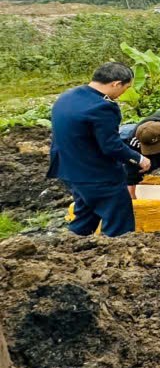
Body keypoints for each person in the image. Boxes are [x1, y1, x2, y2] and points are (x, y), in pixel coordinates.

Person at [47, 62, 151, 237]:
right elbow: (111, 146)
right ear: (116, 84)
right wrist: (139, 159)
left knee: (86, 215)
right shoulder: (102, 107)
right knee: (118, 220)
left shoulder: (68, 96)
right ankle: (118, 251)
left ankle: (71, 245)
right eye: (125, 88)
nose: (123, 93)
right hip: (96, 174)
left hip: (68, 169)